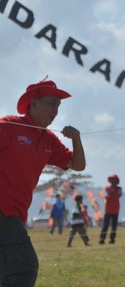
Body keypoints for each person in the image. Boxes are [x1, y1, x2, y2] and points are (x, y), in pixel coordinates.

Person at [0, 79, 86, 286]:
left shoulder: (49, 139)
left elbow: (77, 165)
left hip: (16, 212)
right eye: (51, 103)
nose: (56, 110)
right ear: (33, 103)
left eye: (58, 105)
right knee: (24, 268)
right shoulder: (9, 126)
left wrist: (76, 139)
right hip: (4, 210)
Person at [99, 174, 122, 245]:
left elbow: (118, 196)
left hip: (115, 210)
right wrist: (112, 194)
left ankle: (112, 239)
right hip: (108, 210)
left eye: (114, 179)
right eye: (112, 179)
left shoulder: (119, 189)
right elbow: (106, 196)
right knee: (105, 225)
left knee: (114, 226)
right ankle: (102, 239)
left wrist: (111, 194)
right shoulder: (107, 188)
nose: (113, 181)